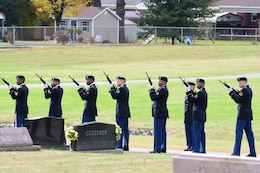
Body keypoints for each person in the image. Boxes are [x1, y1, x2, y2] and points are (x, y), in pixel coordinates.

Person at [228, 77, 256, 157]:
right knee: (249, 133)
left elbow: (238, 99)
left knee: (239, 132)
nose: (239, 84)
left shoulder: (244, 90)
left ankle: (236, 151)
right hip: (248, 114)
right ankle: (252, 151)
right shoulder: (249, 89)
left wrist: (231, 93)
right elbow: (241, 96)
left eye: (240, 82)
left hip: (242, 115)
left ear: (244, 82)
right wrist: (234, 91)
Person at [186, 78, 207, 153]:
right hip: (200, 115)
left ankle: (197, 149)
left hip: (197, 115)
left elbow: (193, 99)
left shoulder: (201, 93)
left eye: (199, 83)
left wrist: (188, 92)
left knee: (197, 132)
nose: (197, 84)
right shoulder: (202, 92)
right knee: (200, 132)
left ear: (202, 84)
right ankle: (202, 149)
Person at [109, 76, 130, 151]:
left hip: (121, 112)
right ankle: (126, 144)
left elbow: (115, 96)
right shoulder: (125, 89)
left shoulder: (121, 89)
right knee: (125, 129)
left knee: (120, 129)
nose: (117, 82)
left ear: (122, 81)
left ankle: (119, 145)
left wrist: (111, 89)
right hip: (125, 111)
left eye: (118, 81)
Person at [149, 76, 169, 153]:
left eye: (160, 81)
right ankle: (162, 147)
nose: (159, 82)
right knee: (162, 131)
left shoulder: (162, 90)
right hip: (162, 112)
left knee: (158, 131)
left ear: (164, 82)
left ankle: (157, 148)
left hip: (159, 113)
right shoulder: (163, 90)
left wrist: (151, 90)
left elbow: (153, 97)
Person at [184, 82, 195, 151]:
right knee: (187, 131)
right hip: (187, 115)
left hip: (192, 115)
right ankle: (189, 145)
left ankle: (193, 145)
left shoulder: (194, 95)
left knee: (192, 131)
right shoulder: (186, 96)